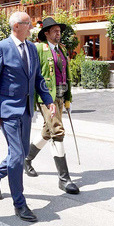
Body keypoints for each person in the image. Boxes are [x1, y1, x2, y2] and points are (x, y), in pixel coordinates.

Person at [0, 11, 56, 222]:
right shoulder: (1, 48)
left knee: (22, 153)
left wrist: (48, 98)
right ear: (16, 26)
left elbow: (37, 77)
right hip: (7, 111)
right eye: (28, 24)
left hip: (26, 109)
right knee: (17, 156)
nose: (31, 27)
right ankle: (19, 203)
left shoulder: (31, 48)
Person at [23, 17, 80, 194]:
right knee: (57, 131)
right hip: (46, 97)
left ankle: (26, 159)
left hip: (61, 96)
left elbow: (66, 74)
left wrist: (68, 97)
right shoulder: (39, 48)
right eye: (54, 31)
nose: (58, 33)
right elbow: (33, 73)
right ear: (46, 33)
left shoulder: (61, 50)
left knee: (48, 132)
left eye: (59, 30)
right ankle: (64, 179)